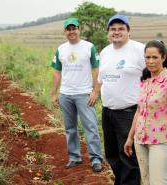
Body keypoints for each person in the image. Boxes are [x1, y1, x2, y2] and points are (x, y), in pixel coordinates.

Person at [124, 40, 167, 185]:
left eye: (155, 57)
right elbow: (139, 111)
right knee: (146, 182)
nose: (151, 61)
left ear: (163, 58)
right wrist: (130, 138)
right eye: (147, 57)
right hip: (140, 140)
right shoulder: (145, 81)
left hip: (161, 141)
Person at [50, 17, 103, 172]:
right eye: (68, 29)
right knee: (70, 128)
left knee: (91, 127)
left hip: (84, 94)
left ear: (79, 29)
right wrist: (54, 94)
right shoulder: (61, 49)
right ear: (65, 31)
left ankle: (96, 159)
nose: (71, 31)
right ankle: (74, 157)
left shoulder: (89, 47)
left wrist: (95, 91)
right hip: (65, 95)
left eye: (74, 28)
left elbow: (96, 70)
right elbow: (57, 73)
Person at [98, 14, 144, 185]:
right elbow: (102, 80)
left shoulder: (140, 50)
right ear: (108, 32)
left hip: (129, 113)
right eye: (113, 29)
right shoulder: (104, 52)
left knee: (129, 156)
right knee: (112, 154)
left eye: (121, 29)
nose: (116, 32)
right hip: (108, 112)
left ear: (128, 32)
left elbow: (155, 73)